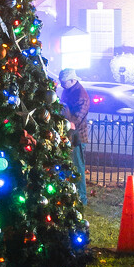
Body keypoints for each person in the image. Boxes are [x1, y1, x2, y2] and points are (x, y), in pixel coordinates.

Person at [59, 68, 90, 205]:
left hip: (77, 137)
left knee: (78, 167)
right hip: (70, 135)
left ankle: (82, 199)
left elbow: (77, 118)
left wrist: (68, 123)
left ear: (73, 80)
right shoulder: (69, 90)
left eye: (64, 82)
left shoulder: (81, 95)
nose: (62, 85)